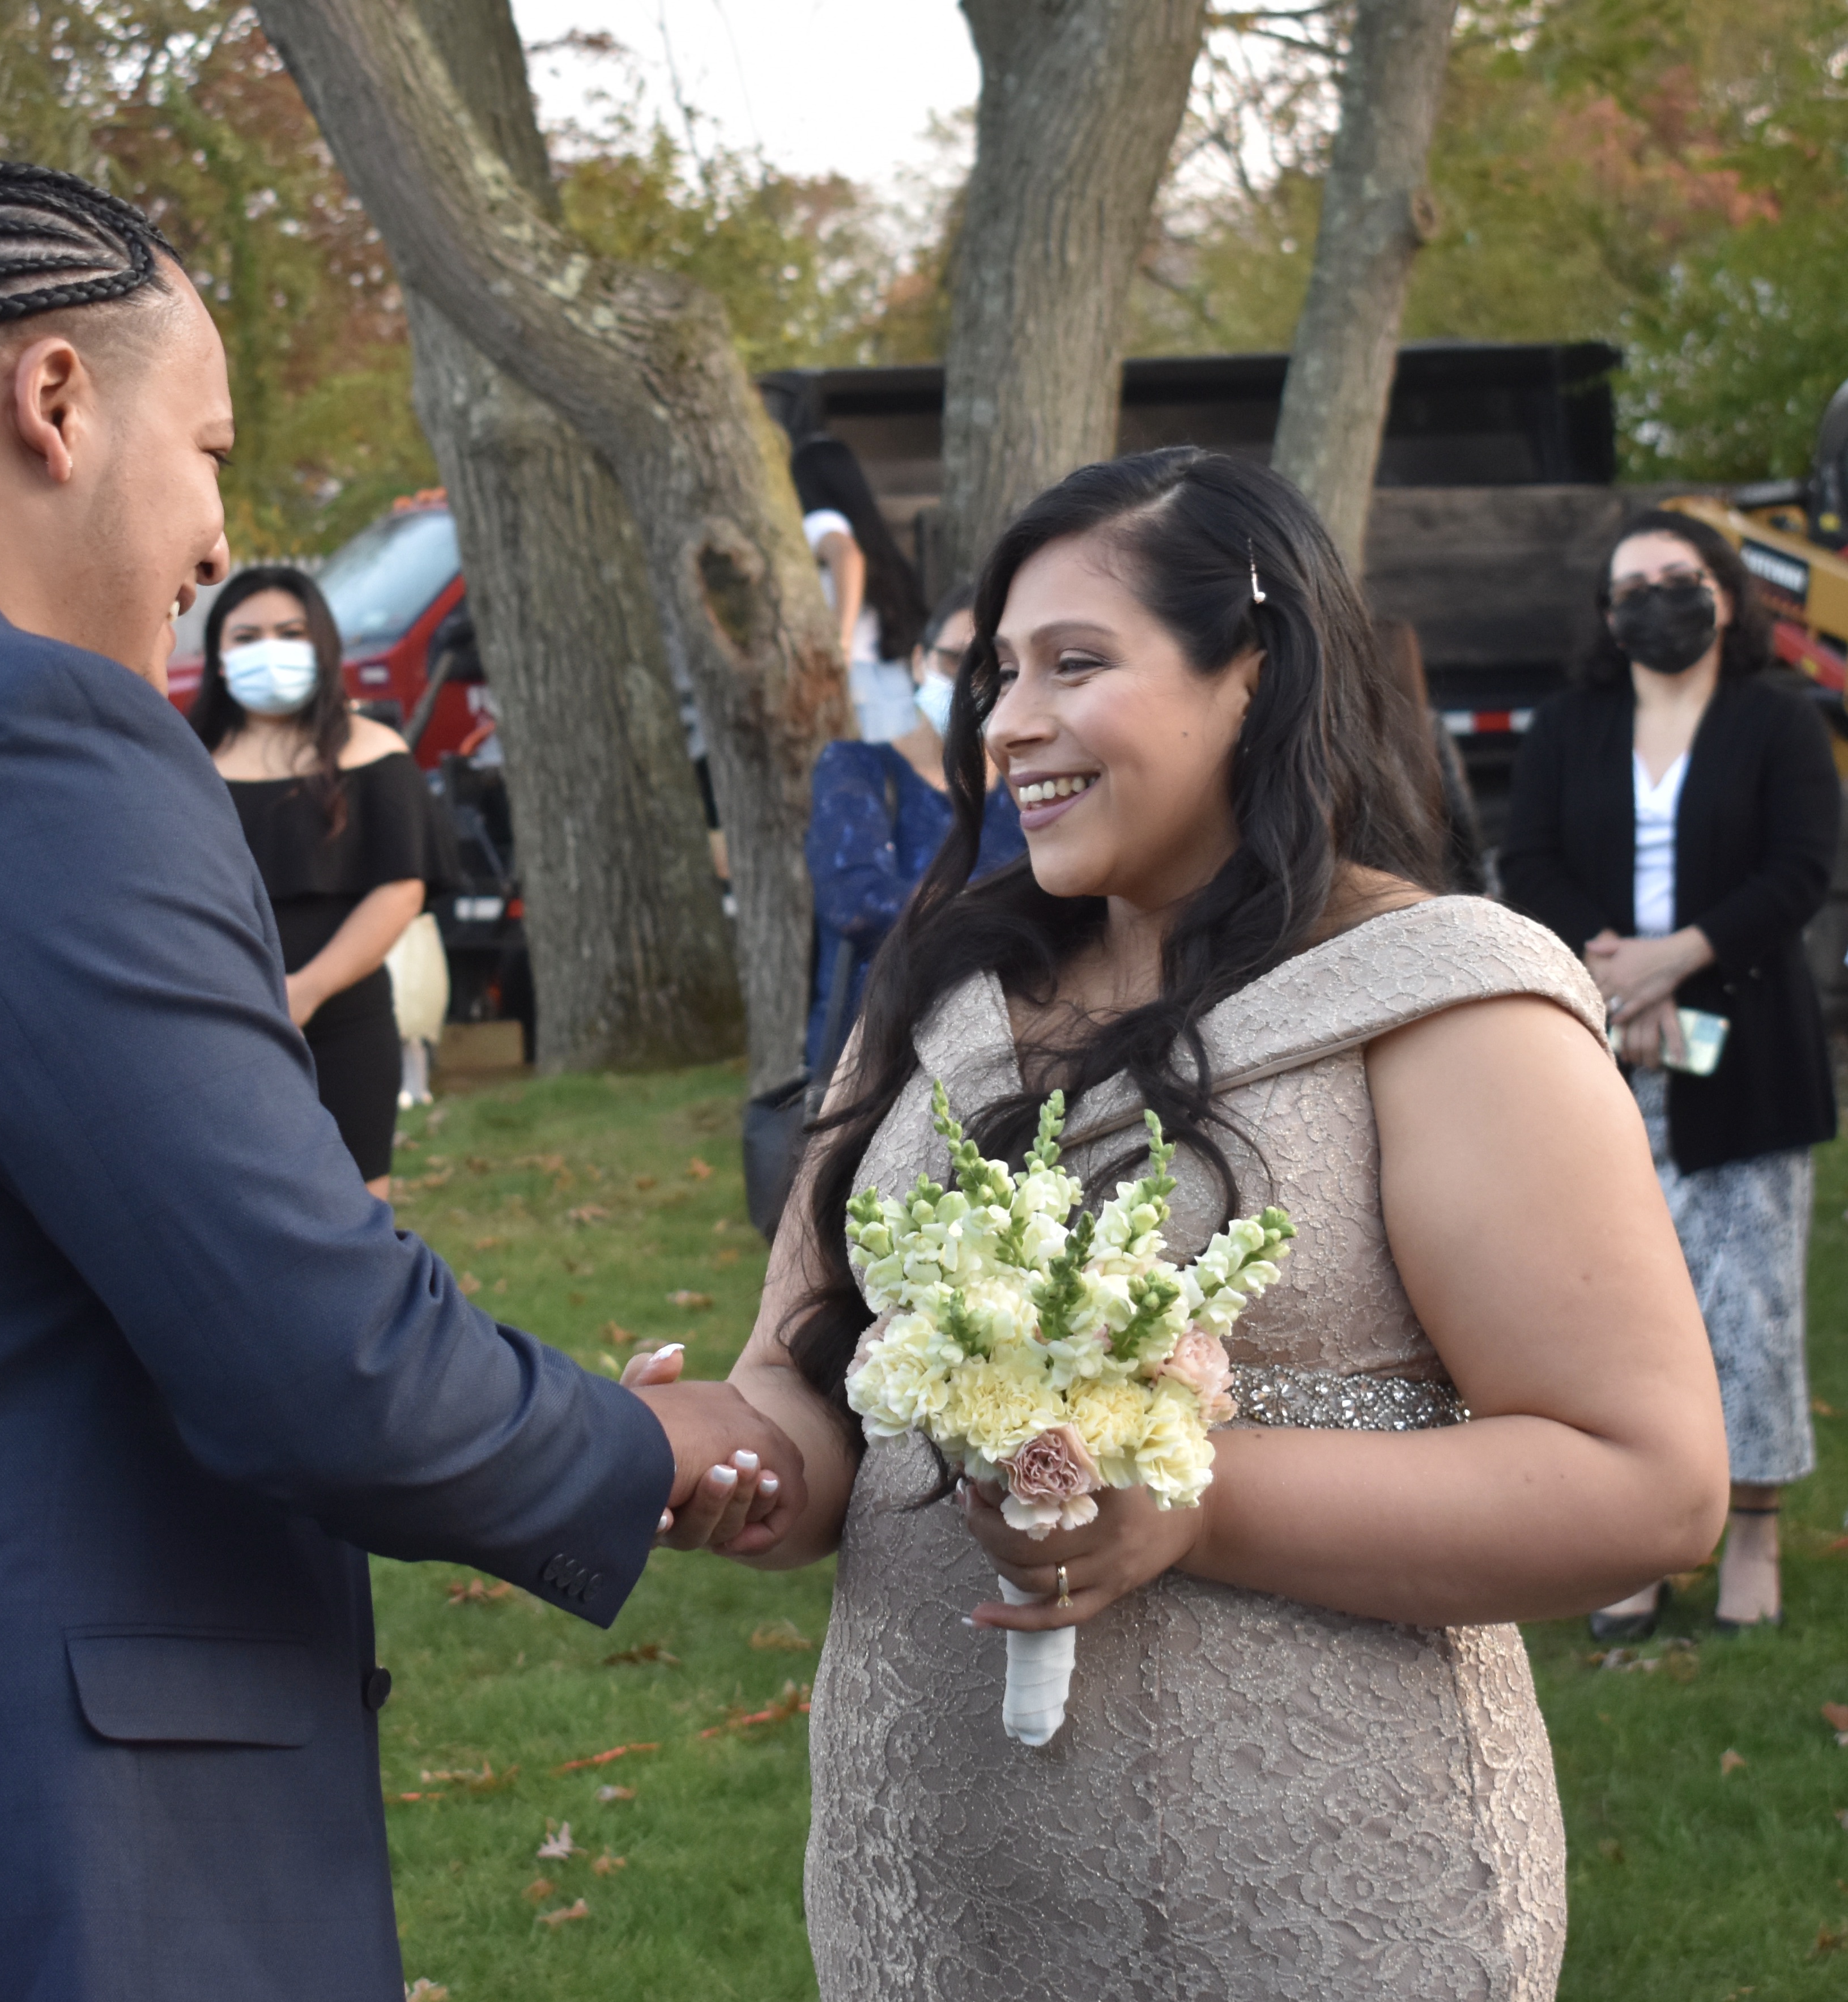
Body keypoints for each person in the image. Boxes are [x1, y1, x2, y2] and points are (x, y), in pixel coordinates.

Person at [0, 161, 802, 2001]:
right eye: (208, 453)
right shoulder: (20, 734)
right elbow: (318, 1355)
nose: (218, 545)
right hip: (10, 1854)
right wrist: (662, 1441)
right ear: (54, 400)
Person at [640, 449, 1727, 1997]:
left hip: (1311, 1899)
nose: (1008, 719)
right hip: (935, 1902)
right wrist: (711, 1453)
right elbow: (806, 1387)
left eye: (1074, 663)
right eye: (999, 672)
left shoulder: (1445, 1000)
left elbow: (1646, 1484)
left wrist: (1198, 1503)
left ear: (1252, 673)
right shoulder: (940, 992)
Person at [1500, 508, 1838, 1637]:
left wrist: (1676, 959)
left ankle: (1752, 1535)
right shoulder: (1567, 725)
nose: (1657, 599)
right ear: (1607, 616)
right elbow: (1528, 857)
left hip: (1746, 1050)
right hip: (1600, 1045)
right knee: (1619, 1314)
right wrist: (1614, 974)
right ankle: (1636, 1543)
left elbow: (1800, 868)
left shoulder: (1776, 720)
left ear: (1725, 594)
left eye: (1678, 577)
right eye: (1632, 585)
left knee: (1748, 1307)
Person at [191, 566, 427, 1198]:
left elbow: (401, 887)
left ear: (321, 645)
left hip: (346, 1023)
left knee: (356, 1205)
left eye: (290, 633)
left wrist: (306, 990)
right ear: (218, 656)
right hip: (212, 1025)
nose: (269, 650)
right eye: (247, 637)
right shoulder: (183, 761)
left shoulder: (376, 754)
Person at [804, 581, 1027, 1074]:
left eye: (992, 669)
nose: (970, 684)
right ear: (918, 661)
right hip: (873, 1055)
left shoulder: (1030, 788)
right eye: (956, 661)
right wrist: (1020, 913)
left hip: (1010, 1055)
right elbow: (859, 904)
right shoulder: (856, 768)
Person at [794, 432, 929, 743]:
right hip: (892, 682)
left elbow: (846, 555)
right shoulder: (870, 534)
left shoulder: (819, 521)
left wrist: (839, 643)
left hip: (855, 682)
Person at [1376, 613, 1488, 894]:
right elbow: (1460, 814)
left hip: (1377, 889)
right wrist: (1479, 885)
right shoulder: (1429, 727)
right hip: (1433, 885)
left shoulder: (1350, 732)